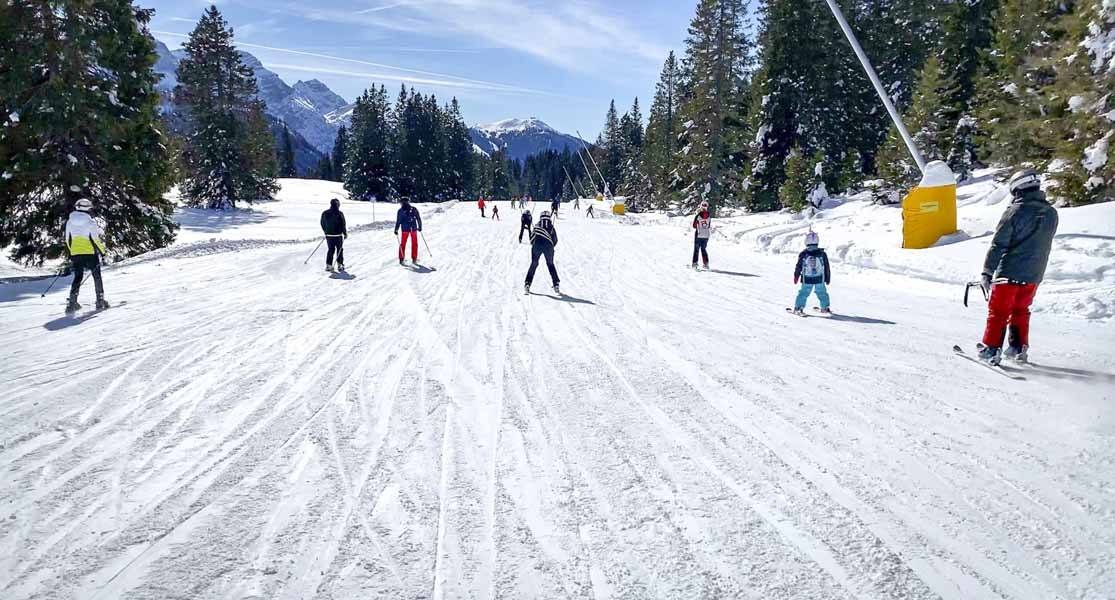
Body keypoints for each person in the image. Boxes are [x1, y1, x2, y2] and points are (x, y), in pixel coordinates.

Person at [977, 169, 1059, 365]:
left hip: (1009, 271)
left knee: (999, 311)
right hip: (1034, 273)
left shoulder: (1015, 211)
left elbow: (999, 244)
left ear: (1017, 188)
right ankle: (1018, 348)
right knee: (1021, 310)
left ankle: (991, 349)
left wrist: (987, 272)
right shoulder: (1051, 212)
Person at [64, 198, 109, 313]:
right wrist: (103, 252)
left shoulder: (69, 221)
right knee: (96, 276)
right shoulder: (91, 222)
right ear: (89, 208)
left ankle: (72, 302)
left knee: (77, 277)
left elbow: (67, 239)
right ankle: (100, 300)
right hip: (89, 252)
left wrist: (72, 252)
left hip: (75, 252)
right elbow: (95, 239)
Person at [792, 231, 831, 315]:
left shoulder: (803, 254)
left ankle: (798, 308)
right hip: (819, 278)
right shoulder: (822, 253)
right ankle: (825, 307)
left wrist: (796, 275)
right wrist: (828, 278)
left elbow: (799, 266)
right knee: (822, 293)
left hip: (807, 279)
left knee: (803, 293)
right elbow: (826, 266)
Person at [525, 210, 560, 295]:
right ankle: (556, 284)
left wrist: (535, 244)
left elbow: (531, 239)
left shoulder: (537, 226)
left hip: (537, 246)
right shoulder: (551, 227)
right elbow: (555, 240)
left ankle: (527, 284)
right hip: (548, 247)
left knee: (534, 264)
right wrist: (551, 247)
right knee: (550, 264)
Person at [320, 198, 348, 272]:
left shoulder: (325, 213)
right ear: (337, 204)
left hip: (329, 235)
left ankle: (328, 265)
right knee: (339, 250)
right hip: (338, 235)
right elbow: (343, 224)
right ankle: (340, 264)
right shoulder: (340, 213)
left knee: (330, 250)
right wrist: (344, 233)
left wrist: (325, 231)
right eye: (338, 203)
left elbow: (322, 223)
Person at [394, 197, 423, 265]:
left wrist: (396, 229)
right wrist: (420, 226)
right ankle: (414, 258)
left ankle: (401, 259)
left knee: (403, 244)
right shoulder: (414, 209)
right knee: (414, 243)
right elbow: (418, 218)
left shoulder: (400, 211)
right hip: (413, 229)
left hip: (405, 229)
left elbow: (398, 221)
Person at [692, 200, 712, 270]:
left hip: (699, 234)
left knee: (696, 249)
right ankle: (706, 264)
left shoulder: (698, 215)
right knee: (703, 249)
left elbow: (694, 226)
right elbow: (709, 225)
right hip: (706, 235)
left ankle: (695, 263)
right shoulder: (709, 216)